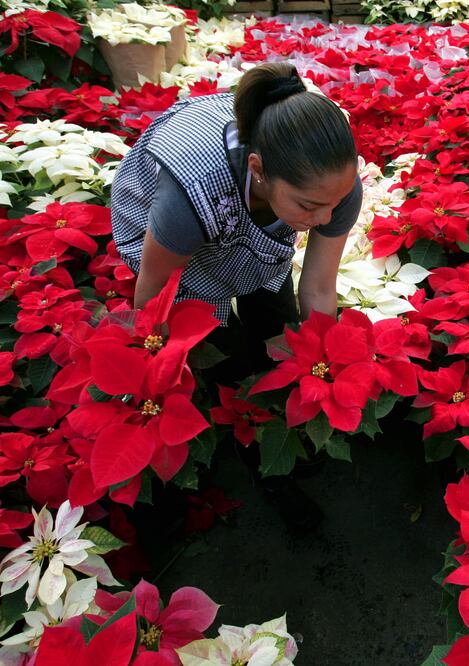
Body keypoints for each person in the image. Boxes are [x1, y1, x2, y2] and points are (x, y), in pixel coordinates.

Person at [110, 61, 362, 531]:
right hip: (178, 231)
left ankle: (276, 445)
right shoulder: (190, 193)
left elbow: (318, 285)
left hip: (249, 214)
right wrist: (155, 363)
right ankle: (251, 456)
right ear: (259, 170)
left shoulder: (331, 185)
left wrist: (320, 364)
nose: (327, 219)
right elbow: (155, 289)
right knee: (225, 356)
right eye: (311, 206)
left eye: (334, 203)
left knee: (278, 329)